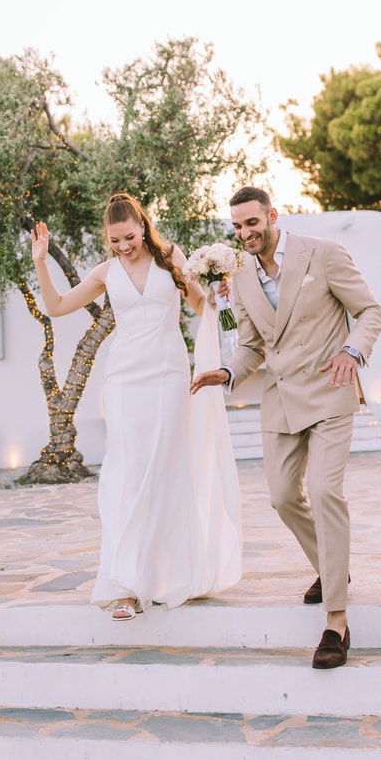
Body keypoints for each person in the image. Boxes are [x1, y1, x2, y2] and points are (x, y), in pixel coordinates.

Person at [190, 186, 381, 669]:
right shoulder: (240, 278)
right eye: (237, 227)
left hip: (330, 390)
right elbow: (253, 346)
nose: (245, 233)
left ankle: (336, 623)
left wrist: (351, 351)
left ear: (272, 216)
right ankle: (330, 565)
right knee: (281, 496)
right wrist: (229, 372)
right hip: (280, 402)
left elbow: (370, 311)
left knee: (324, 491)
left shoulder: (324, 253)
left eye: (252, 223)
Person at [31, 193, 243, 620]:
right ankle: (125, 585)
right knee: (126, 474)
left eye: (128, 236)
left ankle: (167, 575)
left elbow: (199, 305)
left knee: (164, 469)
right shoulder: (105, 272)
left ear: (143, 227)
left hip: (168, 375)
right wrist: (41, 261)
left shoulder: (170, 258)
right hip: (126, 379)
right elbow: (56, 307)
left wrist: (220, 293)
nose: (123, 246)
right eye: (114, 240)